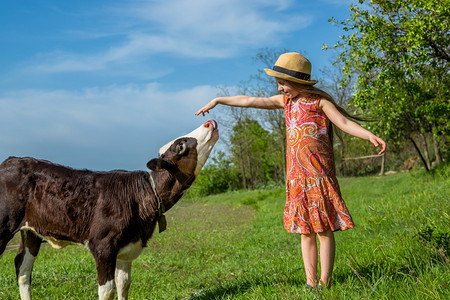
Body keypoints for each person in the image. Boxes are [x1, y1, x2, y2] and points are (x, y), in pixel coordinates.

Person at [195, 52, 386, 291]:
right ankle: (310, 283)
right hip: (296, 178)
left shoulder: (320, 102)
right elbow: (249, 100)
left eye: (283, 83)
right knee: (305, 232)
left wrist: (369, 135)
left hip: (318, 177)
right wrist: (219, 100)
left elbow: (344, 124)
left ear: (298, 82)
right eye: (278, 83)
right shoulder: (285, 102)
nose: (279, 87)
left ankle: (325, 283)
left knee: (324, 230)